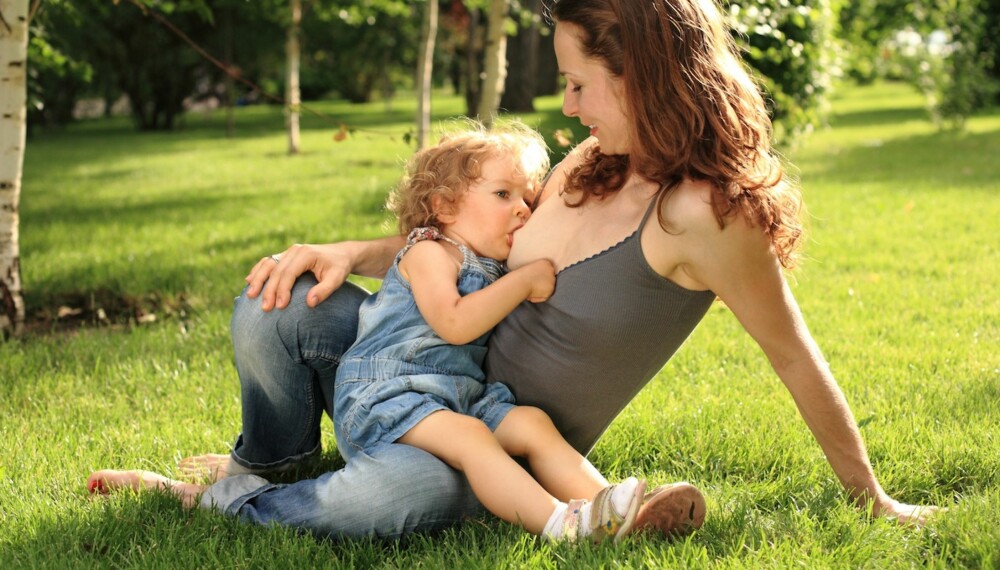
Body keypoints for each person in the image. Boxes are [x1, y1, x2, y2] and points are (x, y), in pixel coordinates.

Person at [89, 0, 937, 541]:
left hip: (497, 434)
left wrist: (873, 498)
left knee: (382, 502)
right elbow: (465, 245)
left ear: (640, 77)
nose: (566, 105)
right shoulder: (587, 164)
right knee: (273, 308)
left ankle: (220, 500)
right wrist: (348, 254)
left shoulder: (702, 216)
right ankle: (266, 465)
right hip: (423, 362)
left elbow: (795, 355)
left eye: (578, 83)